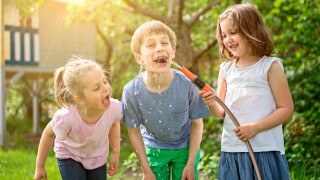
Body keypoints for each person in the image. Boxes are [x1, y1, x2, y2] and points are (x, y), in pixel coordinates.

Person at [199, 3, 294, 180]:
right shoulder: (226, 69)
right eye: (224, 35)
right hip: (232, 149)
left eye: (233, 32)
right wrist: (212, 102)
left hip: (264, 149)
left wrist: (255, 128)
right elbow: (221, 112)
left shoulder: (269, 66)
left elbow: (286, 108)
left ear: (252, 30)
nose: (228, 39)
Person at [121, 20, 210, 180]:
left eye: (164, 43)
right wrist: (146, 170)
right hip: (154, 149)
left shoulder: (187, 84)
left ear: (173, 52)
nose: (160, 48)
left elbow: (197, 123)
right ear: (139, 58)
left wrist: (191, 164)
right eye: (151, 45)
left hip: (185, 148)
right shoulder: (131, 91)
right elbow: (133, 131)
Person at [34, 57, 122, 180]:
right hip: (69, 155)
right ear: (79, 98)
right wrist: (39, 167)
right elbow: (48, 134)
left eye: (105, 81)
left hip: (96, 156)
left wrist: (115, 153)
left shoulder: (114, 109)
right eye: (96, 88)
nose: (105, 88)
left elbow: (114, 123)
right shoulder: (67, 117)